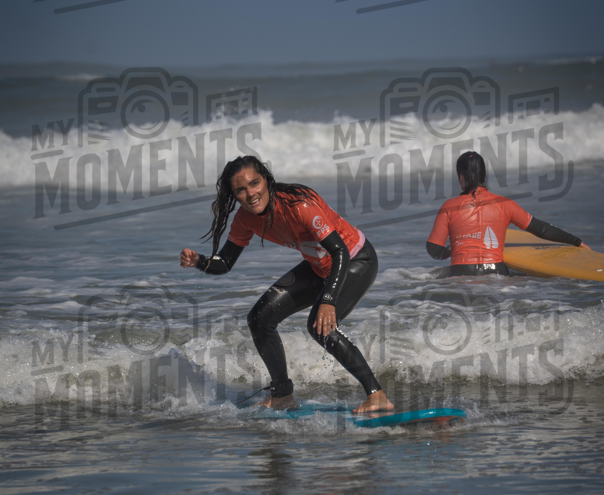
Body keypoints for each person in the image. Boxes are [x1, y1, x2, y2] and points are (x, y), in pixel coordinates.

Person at [180, 155, 393, 413]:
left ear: (266, 180)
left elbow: (340, 252)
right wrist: (199, 261)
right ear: (234, 195)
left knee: (320, 327)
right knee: (260, 317)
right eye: (241, 190)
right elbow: (224, 262)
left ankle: (377, 395)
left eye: (255, 183)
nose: (251, 194)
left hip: (355, 260)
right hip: (318, 266)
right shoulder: (245, 219)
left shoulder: (299, 205)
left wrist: (328, 300)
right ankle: (282, 395)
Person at [426, 151, 590, 276]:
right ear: (484, 175)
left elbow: (433, 249)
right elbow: (541, 229)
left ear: (461, 178)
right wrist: (576, 241)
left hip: (461, 274)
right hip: (496, 274)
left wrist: (448, 252)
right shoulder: (505, 204)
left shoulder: (449, 206)